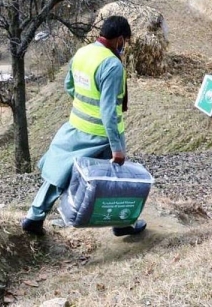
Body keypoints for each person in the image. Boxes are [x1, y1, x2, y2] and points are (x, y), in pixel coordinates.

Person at [21, 15, 146, 237]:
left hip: (76, 125)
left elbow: (69, 85)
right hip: (101, 135)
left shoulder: (83, 53)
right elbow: (108, 111)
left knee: (60, 173)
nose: (124, 46)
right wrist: (117, 148)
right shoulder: (112, 65)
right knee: (115, 179)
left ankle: (34, 216)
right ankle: (122, 223)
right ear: (119, 40)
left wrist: (84, 107)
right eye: (124, 41)